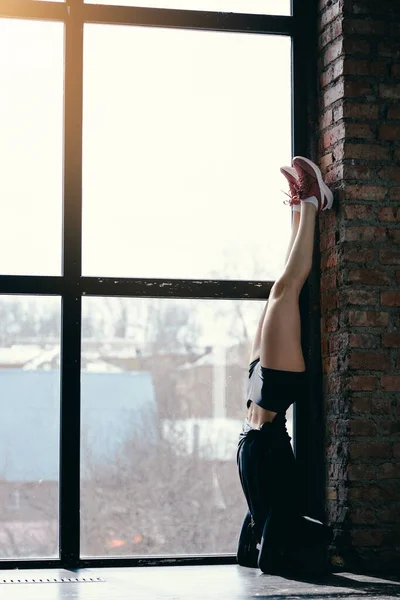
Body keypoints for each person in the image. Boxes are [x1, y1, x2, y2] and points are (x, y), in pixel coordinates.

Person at [236, 156, 333, 576]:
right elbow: (265, 557)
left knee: (280, 286)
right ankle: (313, 202)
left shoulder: (266, 516)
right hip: (275, 391)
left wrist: (258, 539)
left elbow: (250, 551)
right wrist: (270, 547)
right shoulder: (283, 505)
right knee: (286, 289)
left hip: (259, 390)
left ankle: (298, 209)